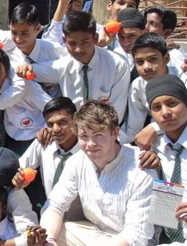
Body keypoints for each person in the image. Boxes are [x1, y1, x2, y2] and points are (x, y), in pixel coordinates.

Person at [40, 99, 155, 246]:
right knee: (51, 231)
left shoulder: (141, 167)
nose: (90, 144)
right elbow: (54, 205)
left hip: (130, 242)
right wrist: (49, 240)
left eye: (98, 135)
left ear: (115, 132)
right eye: (84, 136)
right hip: (95, 234)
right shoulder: (77, 161)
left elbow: (136, 235)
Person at [17, 10, 130, 122]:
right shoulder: (62, 66)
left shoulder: (118, 65)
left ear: (95, 38)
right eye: (72, 43)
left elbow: (116, 113)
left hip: (105, 133)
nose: (78, 49)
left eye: (84, 42)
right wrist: (24, 68)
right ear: (64, 40)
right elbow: (32, 70)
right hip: (73, 132)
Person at [12, 97, 83, 218]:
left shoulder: (89, 149)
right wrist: (19, 179)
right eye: (50, 124)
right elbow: (20, 168)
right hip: (50, 217)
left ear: (75, 120)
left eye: (62, 122)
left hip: (82, 222)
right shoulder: (44, 143)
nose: (56, 129)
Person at [0, 48, 51, 156]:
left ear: (6, 73)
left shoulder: (26, 87)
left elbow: (53, 109)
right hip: (11, 142)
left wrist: (48, 129)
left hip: (38, 139)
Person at [119, 33, 185, 145]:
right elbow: (134, 127)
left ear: (166, 59)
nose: (147, 67)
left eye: (153, 59)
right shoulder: (138, 85)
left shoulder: (183, 79)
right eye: (140, 62)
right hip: (159, 143)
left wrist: (154, 127)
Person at [146, 74, 187, 244]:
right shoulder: (154, 146)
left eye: (172, 103)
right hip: (162, 237)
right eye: (157, 107)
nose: (165, 113)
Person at [8, 3, 67, 98]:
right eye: (14, 33)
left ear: (37, 29)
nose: (18, 39)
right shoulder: (9, 57)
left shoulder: (54, 51)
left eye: (24, 33)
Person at [144, 5, 187, 71]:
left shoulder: (174, 56)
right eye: (145, 22)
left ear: (167, 32)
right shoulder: (136, 47)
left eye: (152, 24)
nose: (145, 27)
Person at [115, 8, 145, 75]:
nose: (126, 43)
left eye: (132, 36)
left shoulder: (157, 56)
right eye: (121, 36)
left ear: (144, 32)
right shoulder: (115, 57)